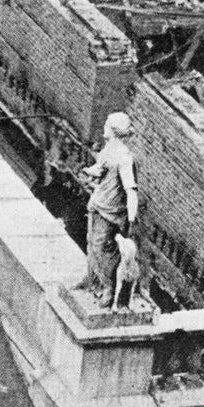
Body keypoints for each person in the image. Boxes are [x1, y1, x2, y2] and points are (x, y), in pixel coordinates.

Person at [78, 111, 139, 303]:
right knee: (90, 242)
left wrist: (131, 218)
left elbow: (131, 190)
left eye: (106, 124)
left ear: (113, 130)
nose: (103, 127)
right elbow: (100, 169)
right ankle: (92, 279)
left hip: (111, 211)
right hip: (97, 203)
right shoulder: (108, 150)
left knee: (102, 248)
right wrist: (89, 171)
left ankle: (109, 287)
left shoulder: (125, 158)